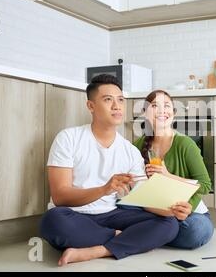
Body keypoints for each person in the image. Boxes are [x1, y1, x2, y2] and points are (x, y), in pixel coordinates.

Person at [40, 75, 179, 266]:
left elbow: (144, 196)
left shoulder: (129, 150)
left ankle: (97, 250)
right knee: (52, 221)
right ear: (91, 106)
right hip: (74, 215)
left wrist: (171, 210)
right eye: (108, 100)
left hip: (112, 215)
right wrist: (103, 190)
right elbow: (60, 197)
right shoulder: (68, 138)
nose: (117, 106)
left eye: (120, 100)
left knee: (169, 224)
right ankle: (123, 240)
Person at [133, 90, 214, 249]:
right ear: (145, 113)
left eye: (167, 106)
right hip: (153, 209)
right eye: (155, 106)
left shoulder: (185, 144)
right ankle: (158, 231)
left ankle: (147, 233)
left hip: (188, 213)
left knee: (195, 232)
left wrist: (167, 175)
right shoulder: (137, 145)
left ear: (173, 113)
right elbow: (135, 187)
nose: (162, 110)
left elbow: (205, 185)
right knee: (120, 208)